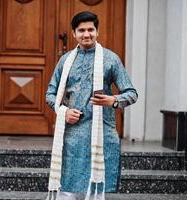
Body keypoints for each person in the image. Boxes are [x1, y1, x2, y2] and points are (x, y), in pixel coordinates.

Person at [45, 11, 138, 200]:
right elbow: (51, 94)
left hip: (102, 134)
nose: (86, 34)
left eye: (90, 29)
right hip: (73, 137)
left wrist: (113, 100)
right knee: (68, 189)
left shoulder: (110, 59)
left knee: (99, 191)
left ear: (98, 31)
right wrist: (64, 111)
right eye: (81, 30)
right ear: (74, 33)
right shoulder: (65, 61)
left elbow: (132, 94)